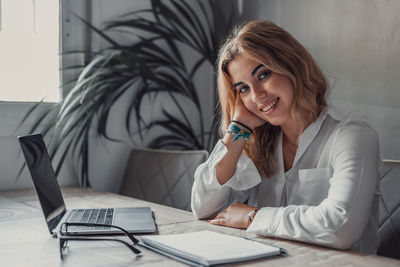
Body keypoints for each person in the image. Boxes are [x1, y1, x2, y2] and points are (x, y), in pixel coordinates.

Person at [191, 20, 380, 253]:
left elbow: (340, 227)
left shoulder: (352, 135)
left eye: (263, 75)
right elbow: (203, 208)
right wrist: (238, 128)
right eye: (243, 89)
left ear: (292, 64)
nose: (257, 96)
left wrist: (253, 217)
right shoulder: (258, 143)